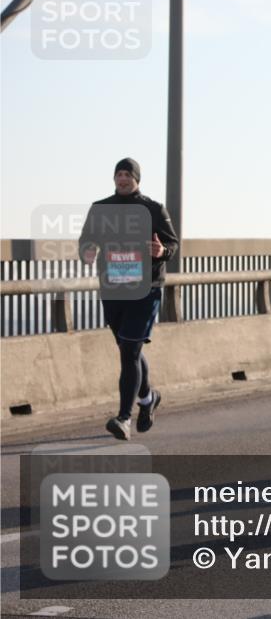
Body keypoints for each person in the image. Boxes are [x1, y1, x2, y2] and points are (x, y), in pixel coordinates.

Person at [79, 158, 179, 441]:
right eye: (119, 174)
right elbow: (86, 239)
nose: (122, 179)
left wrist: (161, 252)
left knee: (131, 350)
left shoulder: (153, 208)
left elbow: (172, 244)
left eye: (128, 175)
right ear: (114, 179)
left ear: (137, 179)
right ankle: (148, 398)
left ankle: (124, 418)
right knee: (127, 348)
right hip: (113, 288)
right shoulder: (100, 209)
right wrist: (86, 251)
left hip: (146, 289)